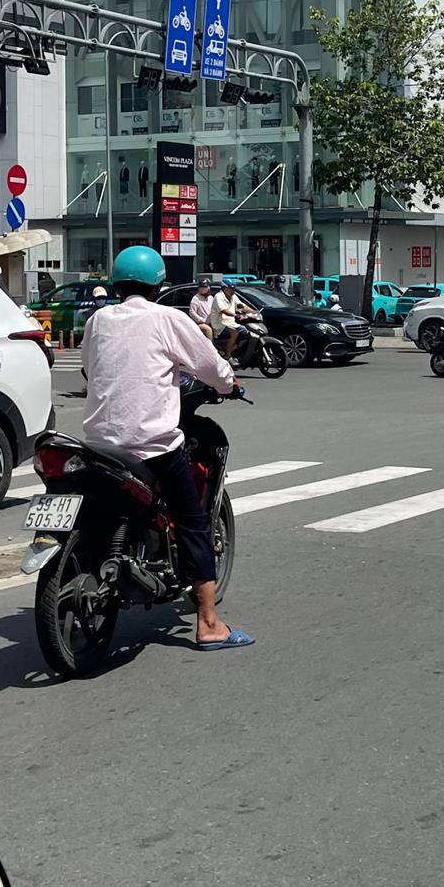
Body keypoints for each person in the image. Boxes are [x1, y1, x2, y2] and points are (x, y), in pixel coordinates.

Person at [80, 246, 253, 650]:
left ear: (117, 284)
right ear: (158, 286)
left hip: (98, 447)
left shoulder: (98, 319)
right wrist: (229, 383)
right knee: (192, 521)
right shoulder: (167, 318)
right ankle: (209, 624)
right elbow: (211, 367)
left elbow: (89, 367)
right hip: (151, 446)